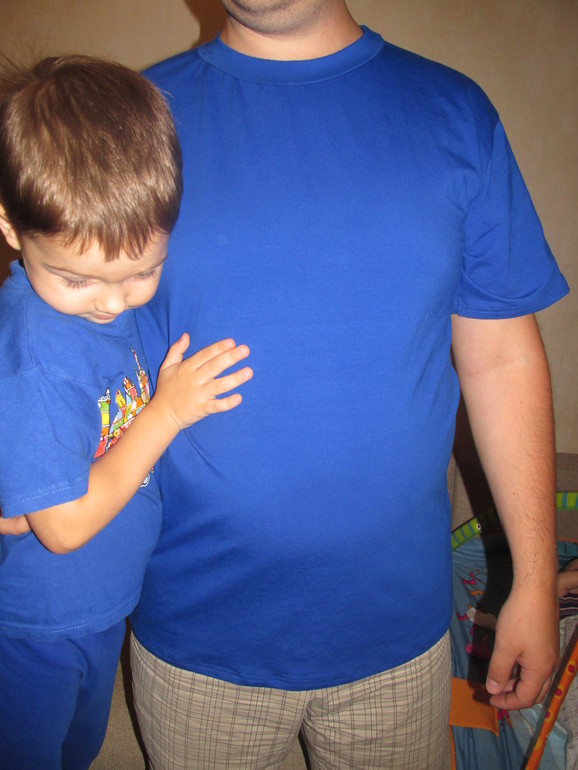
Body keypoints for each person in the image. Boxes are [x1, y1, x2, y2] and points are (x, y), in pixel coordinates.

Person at [129, 1, 570, 768]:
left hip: (398, 636)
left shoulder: (454, 112)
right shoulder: (128, 122)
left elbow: (501, 357)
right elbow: (73, 335)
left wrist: (532, 579)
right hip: (197, 633)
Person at [0, 55, 252, 770]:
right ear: (11, 227)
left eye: (142, 271)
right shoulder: (39, 353)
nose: (113, 303)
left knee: (79, 745)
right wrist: (164, 414)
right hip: (38, 620)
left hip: (98, 605)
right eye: (77, 279)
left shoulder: (91, 310)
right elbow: (65, 527)